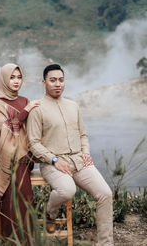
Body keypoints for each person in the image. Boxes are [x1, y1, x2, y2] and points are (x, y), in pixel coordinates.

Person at [27, 64, 114, 246]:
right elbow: (33, 144)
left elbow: (83, 134)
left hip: (79, 160)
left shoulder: (73, 106)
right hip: (52, 163)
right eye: (52, 80)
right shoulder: (37, 109)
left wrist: (86, 153)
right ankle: (49, 214)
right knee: (67, 190)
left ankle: (106, 243)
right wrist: (54, 159)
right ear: (44, 83)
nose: (57, 84)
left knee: (105, 194)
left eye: (61, 80)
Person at [0, 63, 40, 245]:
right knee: (10, 206)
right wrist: (26, 110)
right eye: (12, 77)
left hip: (23, 160)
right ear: (3, 79)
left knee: (25, 203)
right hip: (7, 164)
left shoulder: (24, 100)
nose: (16, 81)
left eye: (19, 77)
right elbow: (4, 132)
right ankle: (11, 242)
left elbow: (32, 129)